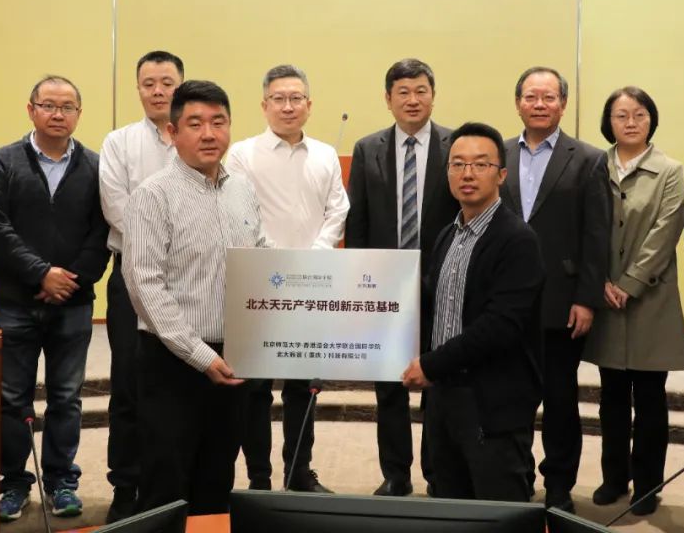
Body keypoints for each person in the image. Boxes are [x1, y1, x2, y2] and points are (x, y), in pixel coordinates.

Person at [124, 80, 267, 515]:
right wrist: (200, 355)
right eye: (195, 123)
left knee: (217, 478)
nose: (209, 134)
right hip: (174, 362)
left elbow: (260, 259)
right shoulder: (153, 195)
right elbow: (144, 283)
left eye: (218, 122)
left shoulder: (242, 190)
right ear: (172, 132)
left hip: (234, 360)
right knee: (166, 484)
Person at [0, 75, 110, 523]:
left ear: (79, 114)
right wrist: (40, 273)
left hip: (73, 302)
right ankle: (13, 482)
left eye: (67, 107)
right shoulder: (3, 162)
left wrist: (70, 280)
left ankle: (61, 481)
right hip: (14, 301)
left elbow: (103, 229)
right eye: (49, 105)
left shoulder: (95, 166)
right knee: (11, 397)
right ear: (31, 109)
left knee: (67, 396)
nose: (58, 114)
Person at [402, 122, 544, 502]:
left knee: (497, 508)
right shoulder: (448, 235)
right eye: (458, 164)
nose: (467, 174)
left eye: (481, 164)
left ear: (501, 175)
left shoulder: (517, 240)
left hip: (491, 403)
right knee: (449, 505)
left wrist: (430, 364)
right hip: (443, 397)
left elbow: (500, 326)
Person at [226, 64, 349, 494]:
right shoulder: (241, 154)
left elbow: (338, 210)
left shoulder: (325, 155)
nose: (288, 106)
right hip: (261, 285)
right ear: (264, 105)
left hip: (313, 284)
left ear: (309, 105)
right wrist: (275, 261)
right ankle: (259, 478)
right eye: (278, 98)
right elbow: (238, 212)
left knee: (304, 386)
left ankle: (299, 472)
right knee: (256, 388)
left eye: (296, 98)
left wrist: (315, 256)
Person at [344, 58, 460, 497]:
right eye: (403, 92)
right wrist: (358, 282)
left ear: (433, 95)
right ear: (388, 99)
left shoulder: (455, 145)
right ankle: (396, 474)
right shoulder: (367, 148)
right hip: (384, 288)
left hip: (442, 284)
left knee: (439, 384)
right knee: (389, 388)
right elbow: (358, 221)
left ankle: (438, 472)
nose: (413, 100)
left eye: (421, 91)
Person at [500, 66, 610, 513]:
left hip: (562, 300)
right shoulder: (498, 153)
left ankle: (560, 485)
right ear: (518, 103)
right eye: (531, 97)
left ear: (563, 104)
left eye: (548, 97)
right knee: (510, 397)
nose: (539, 104)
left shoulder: (587, 158)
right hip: (505, 301)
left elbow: (597, 236)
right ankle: (516, 476)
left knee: (560, 400)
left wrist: (586, 298)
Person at [583, 87, 684, 516]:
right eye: (621, 115)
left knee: (649, 397)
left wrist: (629, 283)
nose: (631, 122)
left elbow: (666, 232)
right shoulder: (594, 166)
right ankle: (614, 478)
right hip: (605, 296)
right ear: (608, 122)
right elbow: (585, 227)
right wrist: (600, 281)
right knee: (611, 395)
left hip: (650, 299)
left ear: (652, 119)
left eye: (640, 114)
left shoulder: (669, 170)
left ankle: (648, 485)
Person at [99, 50, 184, 522]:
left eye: (166, 82)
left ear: (180, 85)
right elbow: (117, 208)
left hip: (190, 278)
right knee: (129, 382)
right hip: (132, 273)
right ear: (138, 89)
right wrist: (168, 241)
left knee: (180, 382)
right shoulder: (119, 142)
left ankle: (172, 484)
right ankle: (126, 485)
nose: (158, 91)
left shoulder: (196, 136)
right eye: (149, 83)